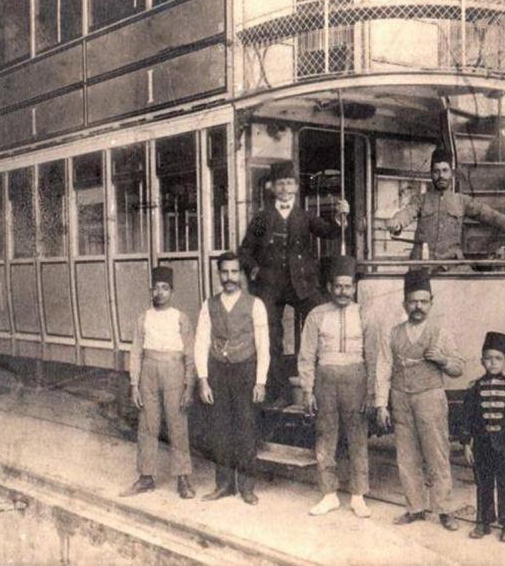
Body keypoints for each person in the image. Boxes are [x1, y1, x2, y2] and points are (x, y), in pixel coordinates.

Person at [239, 161, 350, 406]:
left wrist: (340, 219)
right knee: (270, 337)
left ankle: (320, 386)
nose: (285, 188)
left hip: (303, 284)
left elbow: (329, 231)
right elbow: (245, 250)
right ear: (273, 188)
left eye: (290, 183)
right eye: (281, 183)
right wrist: (255, 270)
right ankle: (280, 392)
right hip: (270, 286)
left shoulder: (304, 215)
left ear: (296, 187)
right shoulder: (262, 218)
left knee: (322, 322)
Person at [375, 270, 465, 531]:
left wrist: (443, 360)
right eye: (413, 302)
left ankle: (444, 509)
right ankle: (415, 508)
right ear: (405, 304)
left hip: (430, 398)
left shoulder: (440, 332)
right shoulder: (392, 333)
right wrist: (382, 404)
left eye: (423, 302)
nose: (418, 307)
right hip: (401, 399)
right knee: (406, 456)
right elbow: (383, 368)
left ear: (431, 303)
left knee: (437, 454)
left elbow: (459, 367)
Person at [297, 256, 375, 518]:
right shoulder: (316, 315)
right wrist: (308, 390)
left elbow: (374, 355)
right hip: (325, 381)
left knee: (357, 437)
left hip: (356, 379)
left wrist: (372, 391)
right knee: (325, 437)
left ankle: (358, 495)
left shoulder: (364, 314)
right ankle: (329, 494)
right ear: (330, 286)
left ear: (354, 287)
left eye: (348, 286)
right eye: (338, 286)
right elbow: (307, 355)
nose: (343, 291)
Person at [194, 252, 271, 505]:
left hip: (245, 372)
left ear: (241, 274)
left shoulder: (255, 304)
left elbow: (263, 345)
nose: (229, 277)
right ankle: (224, 485)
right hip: (218, 372)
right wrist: (203, 379)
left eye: (234, 272)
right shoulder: (209, 305)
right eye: (224, 272)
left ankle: (247, 488)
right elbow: (201, 343)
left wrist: (260, 381)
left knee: (246, 429)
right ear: (219, 274)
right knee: (220, 430)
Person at [120, 266, 196, 499]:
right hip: (149, 373)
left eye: (165, 288)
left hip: (174, 371)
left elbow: (190, 354)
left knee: (177, 424)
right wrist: (135, 384)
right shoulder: (144, 318)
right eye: (156, 288)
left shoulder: (180, 318)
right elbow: (135, 353)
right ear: (150, 290)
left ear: (172, 291)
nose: (160, 292)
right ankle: (146, 477)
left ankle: (183, 479)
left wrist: (189, 385)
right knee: (147, 425)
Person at [386, 148, 505, 260]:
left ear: (451, 173)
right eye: (436, 171)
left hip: (452, 266)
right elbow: (407, 213)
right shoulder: (420, 200)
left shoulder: (462, 201)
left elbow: (489, 214)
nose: (441, 175)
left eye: (445, 170)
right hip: (422, 266)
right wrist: (396, 223)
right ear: (431, 174)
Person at [461, 331, 505, 542]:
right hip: (482, 446)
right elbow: (467, 419)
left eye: (498, 358)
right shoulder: (474, 387)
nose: (493, 363)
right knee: (483, 484)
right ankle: (483, 522)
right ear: (482, 361)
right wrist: (466, 444)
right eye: (488, 358)